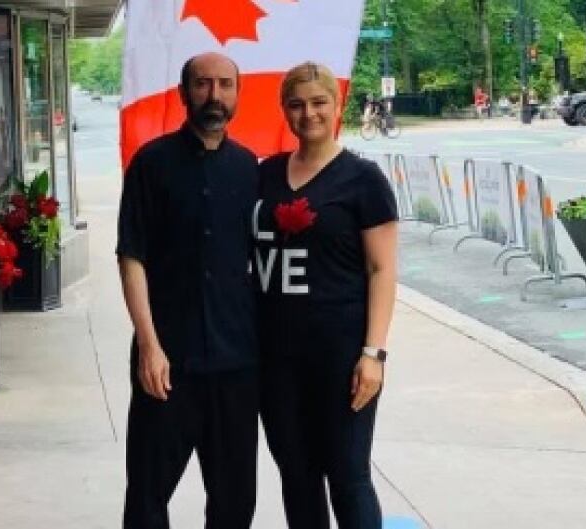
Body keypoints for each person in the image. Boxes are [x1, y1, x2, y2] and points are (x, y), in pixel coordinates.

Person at [116, 52, 259, 529]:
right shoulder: (151, 163)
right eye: (202, 84)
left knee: (234, 504)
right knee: (147, 500)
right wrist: (149, 347)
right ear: (183, 93)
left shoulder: (250, 170)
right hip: (167, 364)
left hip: (236, 367)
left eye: (224, 85)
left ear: (238, 94)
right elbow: (130, 256)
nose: (214, 95)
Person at [253, 62, 398, 529]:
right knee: (296, 476)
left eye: (319, 102)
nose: (308, 113)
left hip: (341, 357)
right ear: (284, 110)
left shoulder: (363, 179)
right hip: (275, 358)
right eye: (296, 104)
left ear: (337, 106)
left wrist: (372, 353)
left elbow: (382, 269)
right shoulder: (264, 175)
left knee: (348, 475)